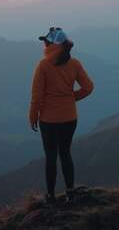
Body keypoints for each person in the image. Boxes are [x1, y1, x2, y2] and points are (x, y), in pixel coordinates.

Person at [29, 27, 94, 204]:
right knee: (65, 153)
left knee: (50, 156)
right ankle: (70, 192)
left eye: (46, 41)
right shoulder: (74, 64)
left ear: (52, 44)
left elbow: (37, 96)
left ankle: (50, 196)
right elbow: (88, 87)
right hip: (69, 117)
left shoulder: (43, 65)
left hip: (49, 120)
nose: (43, 43)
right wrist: (70, 98)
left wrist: (33, 116)